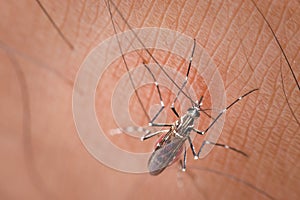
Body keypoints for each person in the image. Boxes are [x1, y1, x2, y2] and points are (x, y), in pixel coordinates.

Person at [0, 0, 298, 199]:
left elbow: (177, 126)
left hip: (171, 139)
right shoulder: (189, 128)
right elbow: (193, 132)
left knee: (164, 132)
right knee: (172, 139)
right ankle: (139, 141)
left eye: (192, 113)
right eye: (193, 112)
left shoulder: (181, 124)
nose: (193, 113)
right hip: (171, 140)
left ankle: (128, 135)